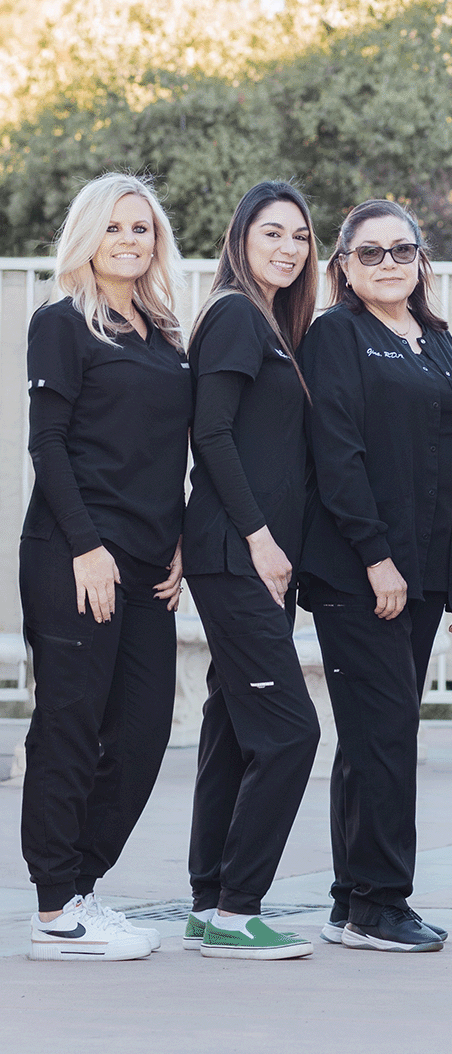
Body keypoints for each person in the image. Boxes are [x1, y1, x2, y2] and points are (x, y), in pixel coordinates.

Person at [298, 200, 452, 955]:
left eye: (400, 250)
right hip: (361, 572)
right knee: (385, 738)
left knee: (374, 736)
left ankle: (352, 901)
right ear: (343, 265)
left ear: (420, 259)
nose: (386, 263)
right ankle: (381, 904)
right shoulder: (335, 335)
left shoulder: (435, 339)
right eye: (368, 253)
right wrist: (377, 558)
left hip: (425, 575)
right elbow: (335, 455)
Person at [22, 173, 191, 961]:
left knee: (145, 729)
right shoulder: (61, 324)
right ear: (89, 235)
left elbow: (170, 452)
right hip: (75, 554)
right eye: (117, 227)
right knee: (70, 725)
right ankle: (55, 908)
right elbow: (47, 445)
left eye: (144, 228)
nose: (132, 240)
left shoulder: (163, 333)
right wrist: (87, 548)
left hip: (153, 563)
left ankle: (82, 886)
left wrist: (182, 540)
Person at [183, 181, 321, 961]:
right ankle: (240, 910)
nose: (287, 248)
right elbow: (214, 435)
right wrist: (263, 540)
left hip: (254, 560)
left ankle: (207, 903)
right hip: (239, 558)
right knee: (292, 732)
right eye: (272, 233)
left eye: (299, 237)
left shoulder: (272, 324)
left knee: (233, 729)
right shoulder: (237, 314)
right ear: (242, 238)